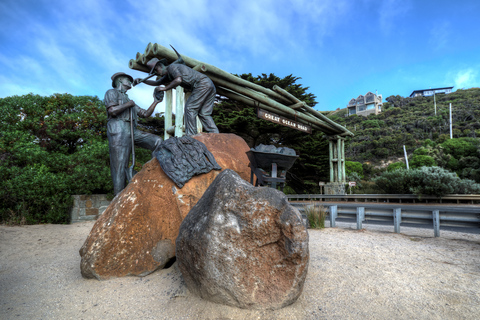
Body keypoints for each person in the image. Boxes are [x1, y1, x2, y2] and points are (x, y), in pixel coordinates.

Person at [104, 72, 163, 195]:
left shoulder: (128, 99)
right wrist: (128, 105)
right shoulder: (111, 92)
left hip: (132, 130)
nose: (130, 82)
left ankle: (153, 174)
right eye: (128, 80)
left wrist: (156, 101)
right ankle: (118, 200)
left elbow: (145, 114)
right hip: (118, 129)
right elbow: (112, 111)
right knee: (119, 167)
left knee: (157, 141)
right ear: (120, 80)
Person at [134, 57, 219, 136]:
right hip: (209, 84)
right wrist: (142, 81)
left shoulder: (172, 67)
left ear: (159, 66)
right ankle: (215, 134)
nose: (156, 73)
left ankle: (191, 136)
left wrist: (165, 88)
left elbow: (178, 80)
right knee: (204, 113)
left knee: (190, 108)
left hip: (202, 84)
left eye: (156, 70)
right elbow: (157, 83)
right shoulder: (168, 75)